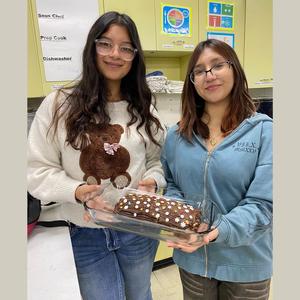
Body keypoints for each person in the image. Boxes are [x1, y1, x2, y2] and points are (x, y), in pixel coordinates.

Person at [27, 11, 166, 300]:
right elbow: (37, 170)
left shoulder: (144, 107)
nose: (115, 54)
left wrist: (152, 181)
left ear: (134, 56)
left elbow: (157, 161)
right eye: (106, 43)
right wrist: (76, 190)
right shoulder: (59, 105)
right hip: (84, 231)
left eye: (126, 47)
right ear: (92, 47)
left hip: (137, 227)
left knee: (140, 295)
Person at [161, 39, 272, 300]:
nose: (209, 75)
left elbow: (264, 204)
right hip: (194, 260)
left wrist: (216, 230)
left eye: (217, 65)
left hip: (246, 264)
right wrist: (180, 222)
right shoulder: (177, 135)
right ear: (192, 82)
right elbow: (173, 185)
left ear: (235, 70)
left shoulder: (265, 131)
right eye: (199, 70)